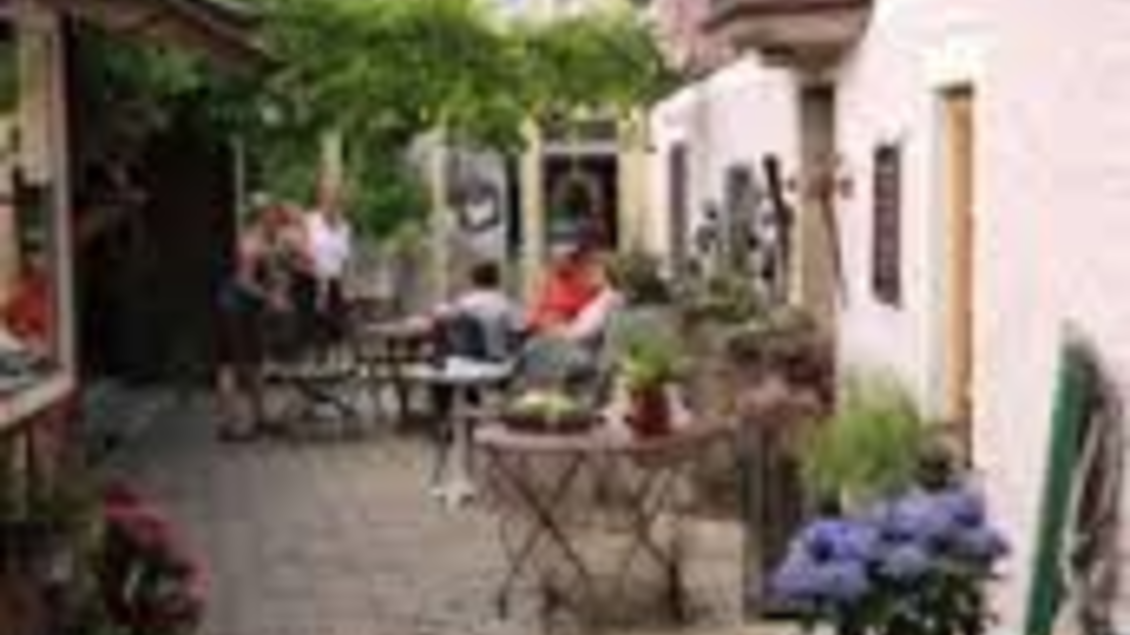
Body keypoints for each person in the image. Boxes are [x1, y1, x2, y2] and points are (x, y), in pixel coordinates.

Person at [214, 205, 295, 441]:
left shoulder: (267, 242)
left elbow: (275, 273)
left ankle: (260, 418)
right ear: (261, 218)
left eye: (279, 222)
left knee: (256, 363)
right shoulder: (250, 243)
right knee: (229, 365)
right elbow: (244, 281)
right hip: (234, 308)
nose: (278, 226)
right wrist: (271, 298)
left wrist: (278, 286)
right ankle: (228, 425)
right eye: (274, 220)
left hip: (247, 310)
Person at [295, 181, 354, 348]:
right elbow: (300, 253)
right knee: (311, 328)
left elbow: (345, 261)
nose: (332, 203)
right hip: (310, 281)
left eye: (336, 199)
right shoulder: (308, 221)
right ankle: (309, 365)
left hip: (333, 281)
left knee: (335, 328)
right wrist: (312, 270)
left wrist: (347, 287)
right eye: (328, 198)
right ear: (320, 199)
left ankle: (332, 366)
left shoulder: (345, 226)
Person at [437, 261, 523, 362]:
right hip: (496, 359)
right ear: (497, 280)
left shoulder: (463, 303)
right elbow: (518, 331)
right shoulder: (508, 304)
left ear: (473, 280)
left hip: (463, 356)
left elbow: (440, 316)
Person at [526, 232, 603, 334]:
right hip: (548, 335)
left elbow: (591, 314)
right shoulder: (545, 279)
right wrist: (546, 322)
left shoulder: (586, 280)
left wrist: (567, 319)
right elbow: (532, 316)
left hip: (574, 333)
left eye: (566, 257)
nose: (558, 261)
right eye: (555, 257)